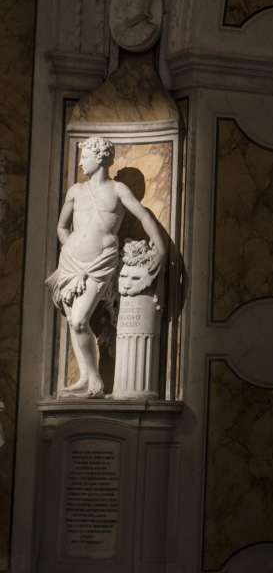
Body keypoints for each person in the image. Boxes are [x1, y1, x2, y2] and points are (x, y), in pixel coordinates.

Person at [47, 137, 165, 398]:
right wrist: (71, 248)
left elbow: (144, 216)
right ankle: (86, 378)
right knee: (74, 321)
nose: (80, 162)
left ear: (100, 157)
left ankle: (96, 380)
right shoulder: (75, 191)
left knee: (79, 321)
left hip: (100, 263)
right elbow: (61, 227)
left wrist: (162, 248)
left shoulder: (118, 190)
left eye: (85, 156)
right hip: (70, 262)